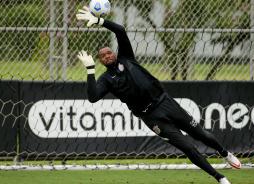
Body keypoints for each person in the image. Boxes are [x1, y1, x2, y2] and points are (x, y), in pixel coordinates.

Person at [76, 6, 241, 184]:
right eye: (102, 56)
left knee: (201, 135)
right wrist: (90, 70)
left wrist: (100, 21)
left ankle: (225, 153)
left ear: (114, 53)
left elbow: (120, 31)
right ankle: (220, 178)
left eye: (109, 52)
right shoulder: (106, 79)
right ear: (100, 61)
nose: (107, 56)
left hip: (165, 102)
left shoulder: (127, 58)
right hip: (151, 117)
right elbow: (93, 97)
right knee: (188, 148)